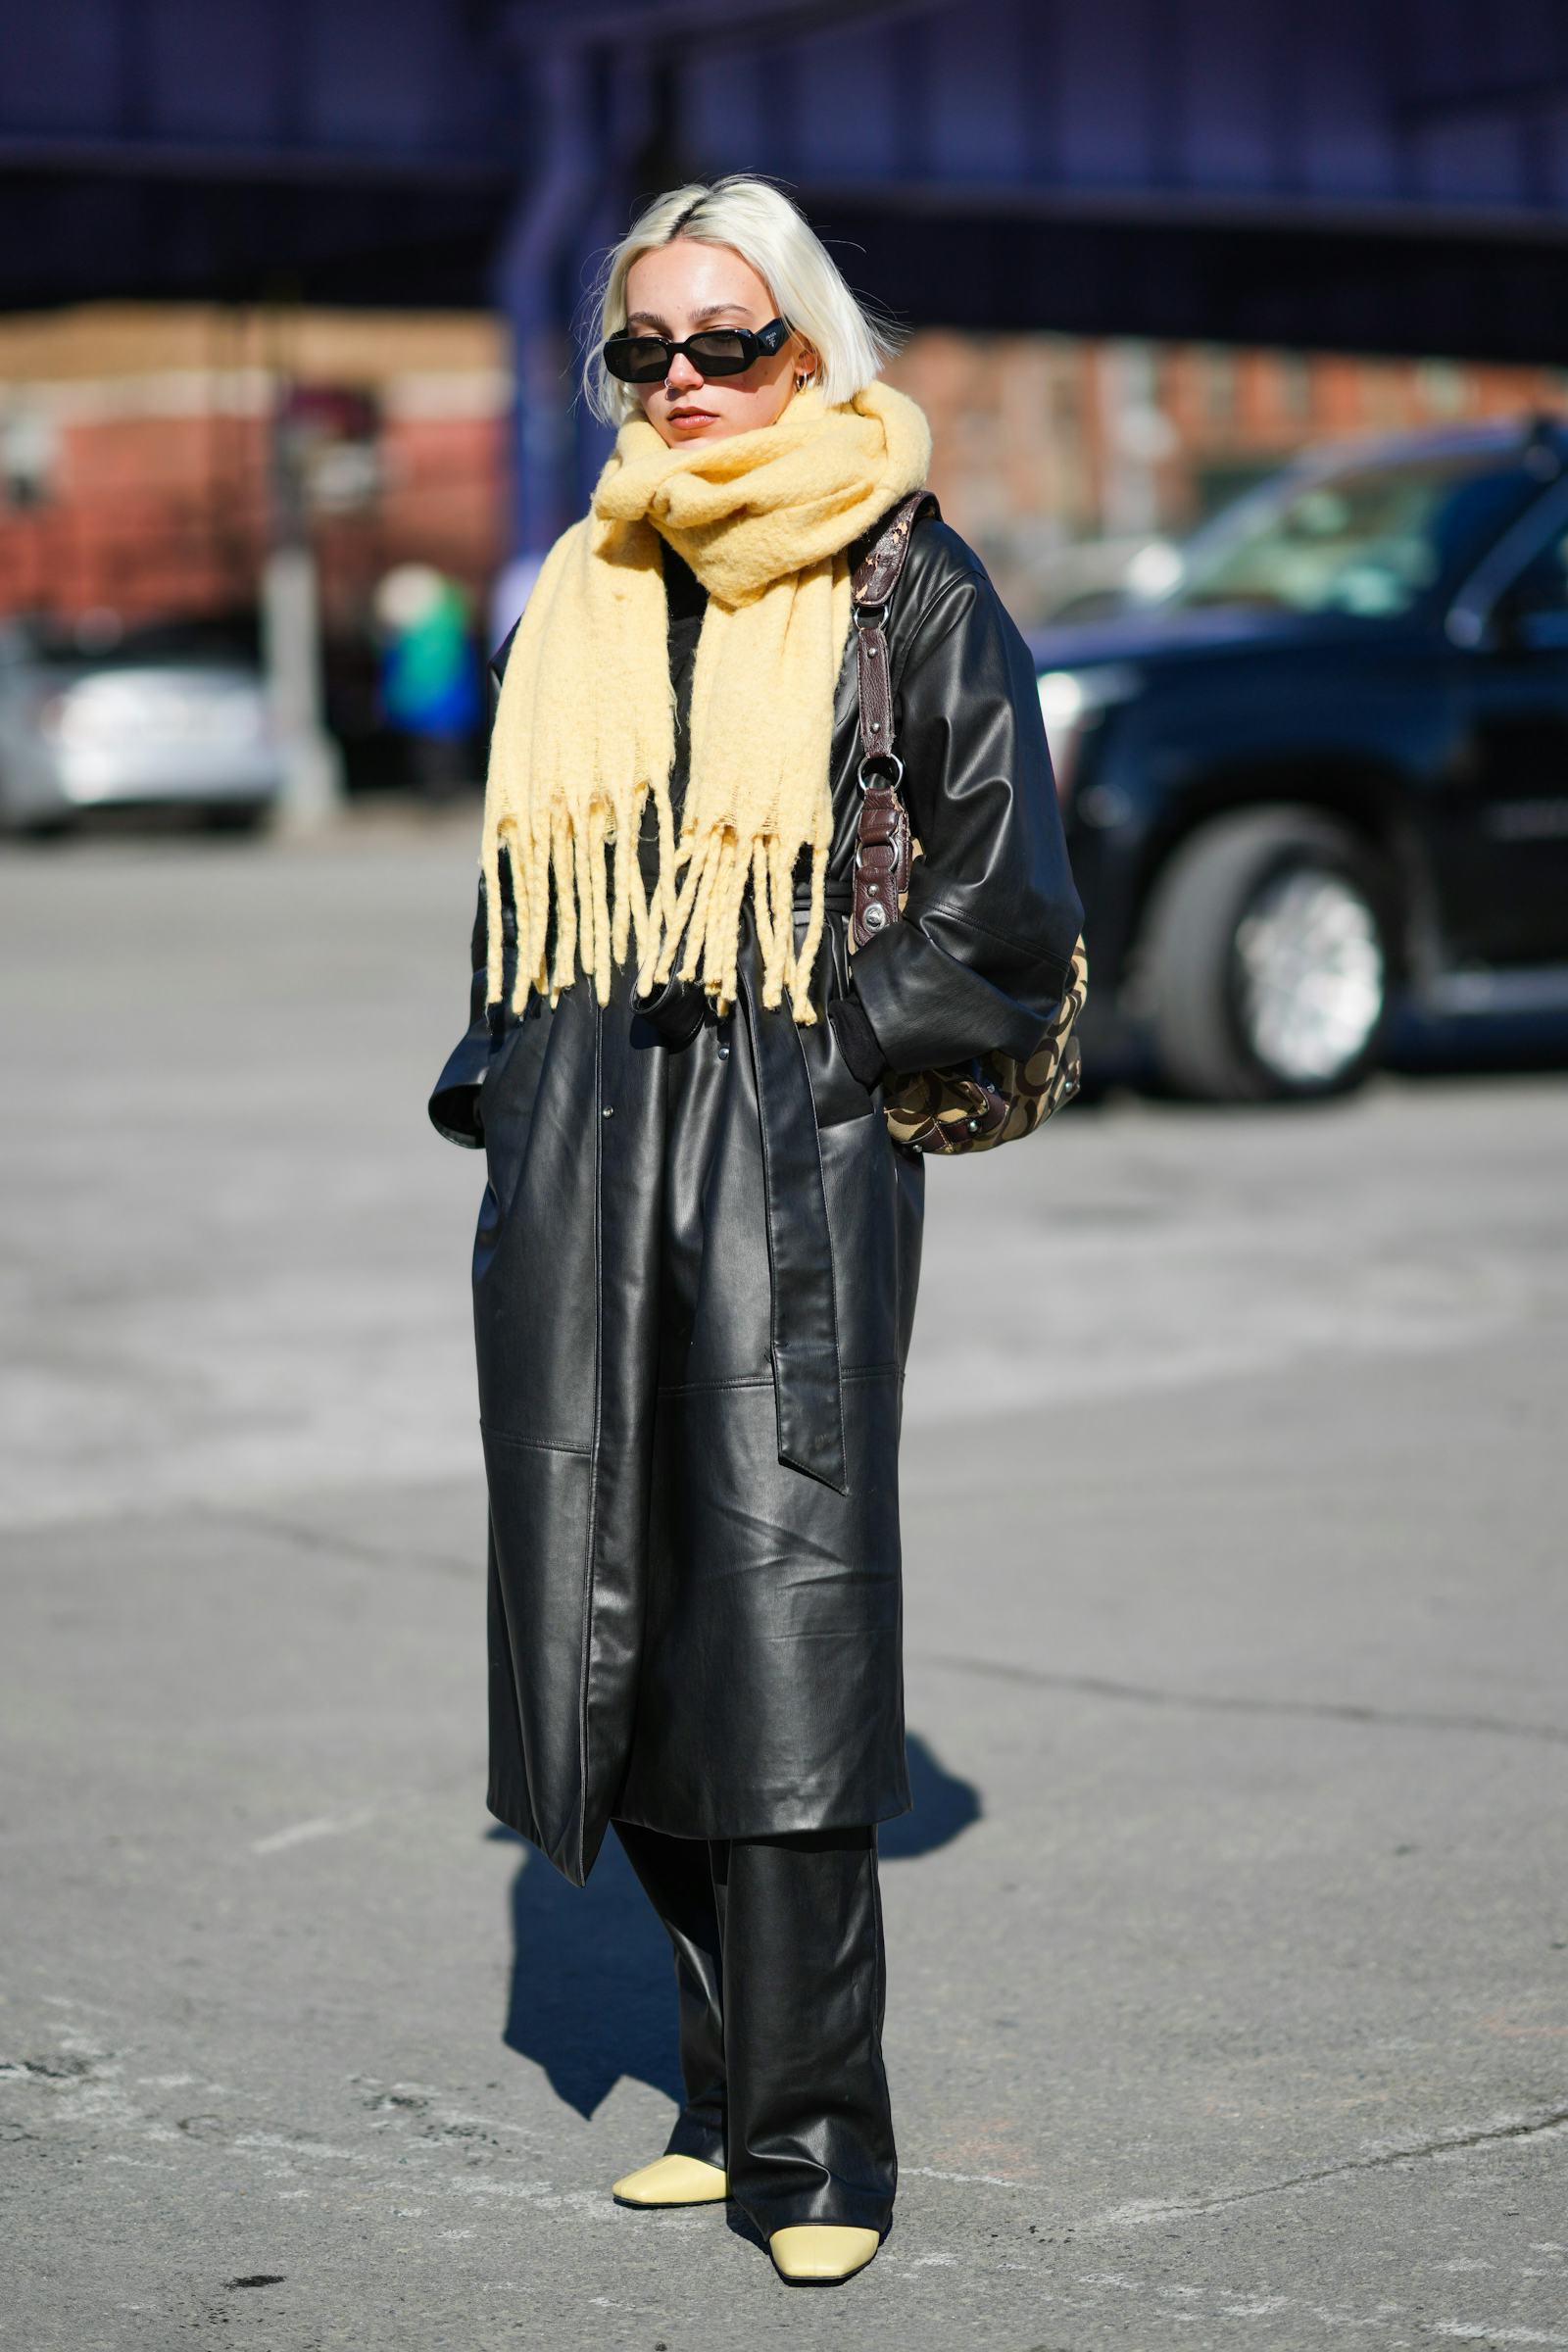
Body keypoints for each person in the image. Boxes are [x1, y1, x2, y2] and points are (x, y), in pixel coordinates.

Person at [427, 172, 1081, 2288]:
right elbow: (526, 886)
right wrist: (509, 1092)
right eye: (650, 349)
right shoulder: (584, 583)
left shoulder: (905, 579)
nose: (688, 384)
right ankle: (717, 2105)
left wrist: (824, 1026)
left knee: (777, 1626)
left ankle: (819, 2151)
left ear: (808, 345)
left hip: (788, 1150)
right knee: (605, 1610)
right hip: (587, 1152)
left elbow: (1009, 900)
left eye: (732, 343)